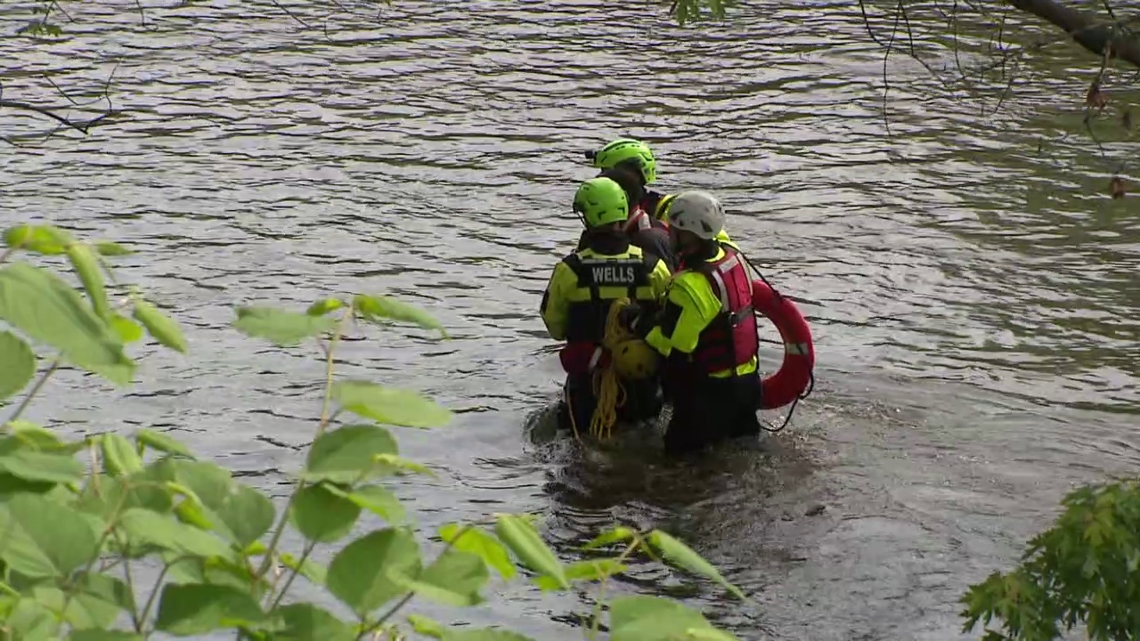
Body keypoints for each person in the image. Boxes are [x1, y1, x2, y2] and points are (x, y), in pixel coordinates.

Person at [621, 190, 762, 456]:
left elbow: (675, 345)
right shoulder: (736, 258)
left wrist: (639, 324)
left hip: (711, 395)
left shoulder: (689, 285)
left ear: (687, 235)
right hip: (749, 384)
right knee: (744, 453)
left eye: (672, 229)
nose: (668, 233)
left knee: (678, 462)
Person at [541, 176, 673, 435]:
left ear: (588, 218)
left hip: (588, 386)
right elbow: (669, 322)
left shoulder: (569, 270)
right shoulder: (654, 268)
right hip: (642, 386)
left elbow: (555, 327)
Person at [586, 137, 738, 251]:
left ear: (633, 175)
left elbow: (717, 241)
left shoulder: (674, 208)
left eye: (606, 173)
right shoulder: (611, 211)